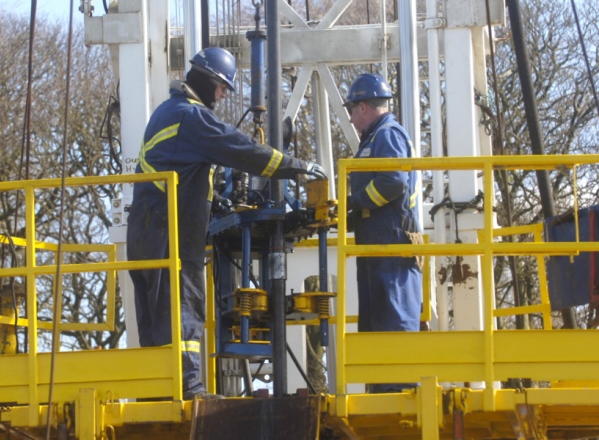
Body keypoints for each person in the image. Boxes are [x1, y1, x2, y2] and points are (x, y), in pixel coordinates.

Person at [126, 46, 327, 400]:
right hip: (169, 231)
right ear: (208, 80)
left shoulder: (165, 113)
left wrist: (215, 200)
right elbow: (242, 149)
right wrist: (295, 166)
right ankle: (188, 389)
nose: (222, 95)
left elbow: (181, 171)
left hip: (146, 229)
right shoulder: (193, 118)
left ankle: (156, 391)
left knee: (156, 314)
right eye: (222, 87)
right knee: (184, 306)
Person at [344, 73, 422, 394]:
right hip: (377, 248)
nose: (350, 116)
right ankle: (380, 393)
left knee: (394, 319)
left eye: (351, 109)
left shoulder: (387, 135)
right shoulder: (375, 139)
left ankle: (398, 395)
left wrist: (355, 203)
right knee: (377, 323)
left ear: (364, 106)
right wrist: (351, 214)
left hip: (392, 248)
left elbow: (393, 182)